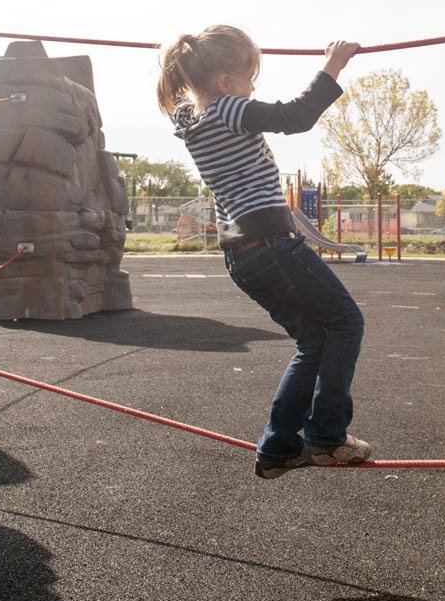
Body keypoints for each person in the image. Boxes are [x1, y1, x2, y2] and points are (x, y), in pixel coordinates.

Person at [158, 26, 369, 479]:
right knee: (346, 323)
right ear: (224, 82)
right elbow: (296, 116)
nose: (253, 89)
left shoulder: (189, 119)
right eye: (250, 79)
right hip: (274, 246)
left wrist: (197, 55)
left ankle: (277, 448)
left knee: (314, 340)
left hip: (243, 257)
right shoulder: (228, 109)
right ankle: (326, 437)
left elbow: (185, 89)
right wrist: (333, 64)